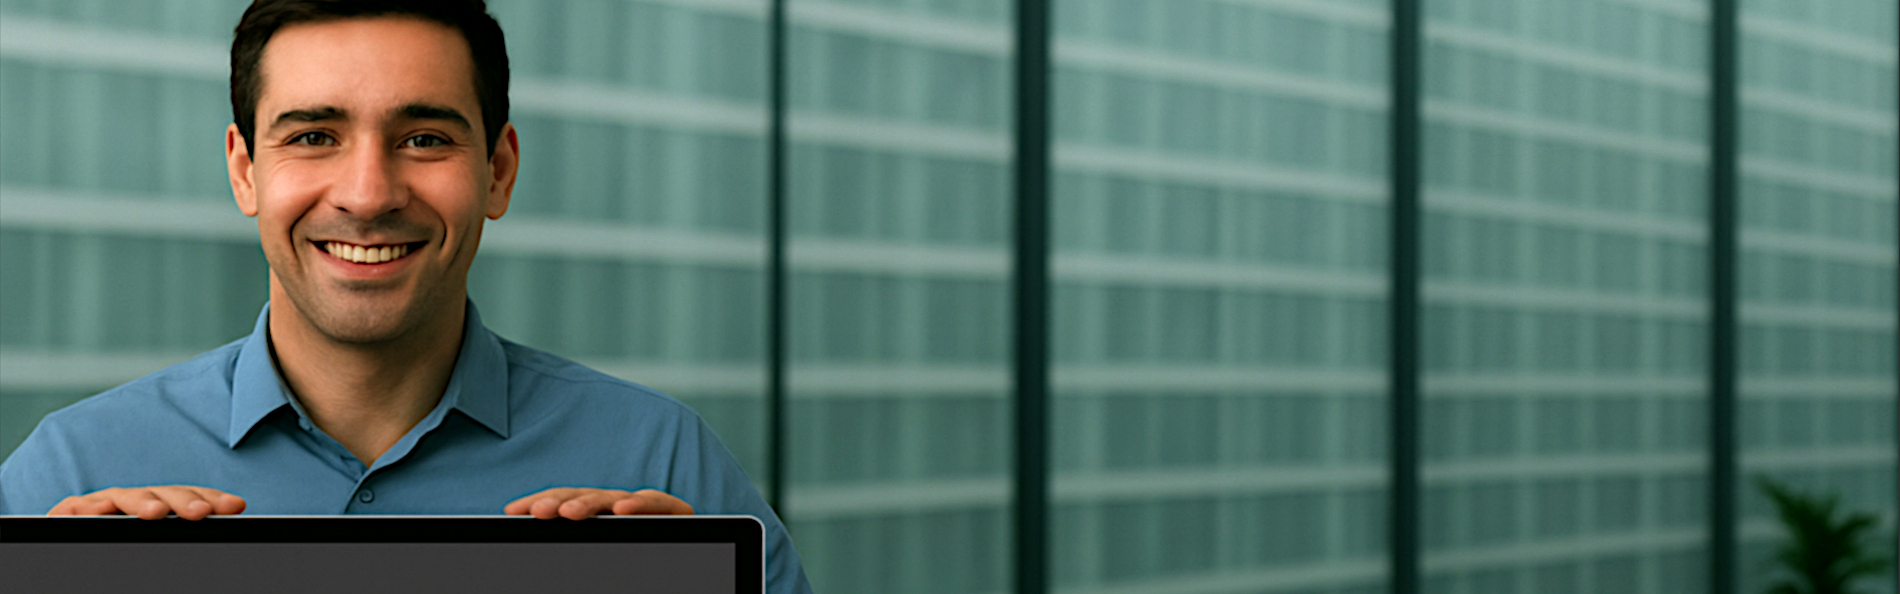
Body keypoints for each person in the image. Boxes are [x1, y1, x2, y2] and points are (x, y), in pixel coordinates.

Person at [0, 1, 812, 592]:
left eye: (424, 138)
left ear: (497, 171)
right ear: (246, 169)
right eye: (314, 136)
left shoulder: (665, 463)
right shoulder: (64, 480)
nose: (367, 193)